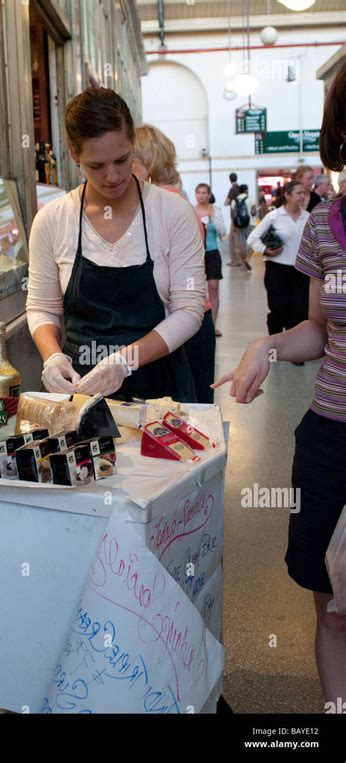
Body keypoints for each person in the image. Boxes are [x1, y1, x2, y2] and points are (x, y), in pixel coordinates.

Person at [212, 59, 346, 708]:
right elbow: (320, 330)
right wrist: (266, 344)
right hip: (330, 440)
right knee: (333, 607)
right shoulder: (328, 224)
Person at [26, 88, 206, 401]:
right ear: (74, 155)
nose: (112, 176)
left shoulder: (172, 212)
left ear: (133, 144)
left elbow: (189, 310)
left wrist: (124, 361)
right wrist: (53, 357)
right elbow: (42, 307)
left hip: (158, 389)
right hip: (78, 388)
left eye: (122, 160)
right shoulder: (53, 220)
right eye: (96, 166)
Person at [132, 124, 216, 402]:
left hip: (182, 325)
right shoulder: (171, 200)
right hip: (185, 323)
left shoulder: (167, 204)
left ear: (147, 163)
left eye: (126, 160)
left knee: (184, 416)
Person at [247, 180, 309, 337]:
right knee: (279, 309)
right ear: (287, 196)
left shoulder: (307, 217)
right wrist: (266, 250)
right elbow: (252, 238)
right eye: (299, 193)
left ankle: (294, 347)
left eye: (304, 193)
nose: (303, 196)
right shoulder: (274, 216)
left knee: (299, 309)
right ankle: (274, 343)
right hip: (277, 269)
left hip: (301, 271)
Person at [195, 183, 226, 337]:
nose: (201, 196)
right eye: (198, 193)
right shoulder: (191, 211)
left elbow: (223, 231)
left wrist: (212, 217)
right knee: (198, 290)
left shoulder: (216, 211)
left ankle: (213, 324)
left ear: (209, 195)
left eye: (204, 193)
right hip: (196, 255)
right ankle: (198, 324)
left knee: (213, 288)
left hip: (213, 253)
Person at [230, 183, 256, 272]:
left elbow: (233, 214)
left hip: (239, 224)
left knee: (241, 244)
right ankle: (247, 259)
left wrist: (234, 225)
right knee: (254, 241)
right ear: (246, 190)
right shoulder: (250, 199)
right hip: (250, 224)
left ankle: (245, 263)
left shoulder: (234, 201)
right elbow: (254, 212)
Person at [224, 172, 241, 266]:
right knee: (235, 238)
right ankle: (236, 260)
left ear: (230, 179)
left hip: (234, 218)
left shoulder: (233, 189)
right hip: (238, 218)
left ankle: (236, 261)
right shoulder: (239, 188)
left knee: (234, 239)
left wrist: (227, 201)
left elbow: (226, 202)